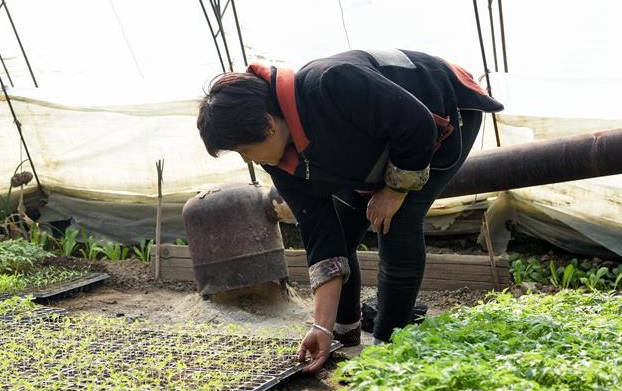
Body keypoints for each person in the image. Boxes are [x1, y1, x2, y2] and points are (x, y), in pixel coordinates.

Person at [196, 48, 503, 373]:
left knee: (396, 220)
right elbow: (321, 236)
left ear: (268, 124)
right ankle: (343, 331)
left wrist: (396, 189)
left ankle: (389, 344)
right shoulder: (281, 163)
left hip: (443, 109)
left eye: (244, 149)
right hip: (374, 147)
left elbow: (416, 125)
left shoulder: (332, 83)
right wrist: (321, 327)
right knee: (340, 232)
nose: (246, 159)